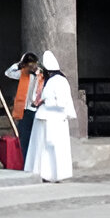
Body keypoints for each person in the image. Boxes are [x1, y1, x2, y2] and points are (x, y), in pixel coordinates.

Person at [24, 50, 74, 183]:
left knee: (50, 147)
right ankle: (46, 173)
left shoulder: (57, 81)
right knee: (45, 147)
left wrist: (45, 101)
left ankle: (52, 174)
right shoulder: (56, 80)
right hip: (47, 118)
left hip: (53, 118)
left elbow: (61, 102)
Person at [4, 52, 43, 152]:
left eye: (33, 65)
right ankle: (26, 163)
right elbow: (8, 73)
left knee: (36, 139)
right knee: (24, 139)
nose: (32, 67)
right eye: (29, 65)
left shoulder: (41, 75)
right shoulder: (24, 73)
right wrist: (19, 64)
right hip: (25, 110)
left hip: (36, 110)